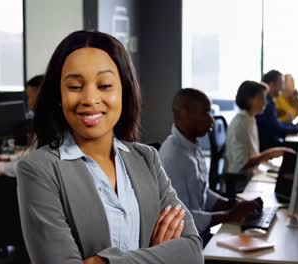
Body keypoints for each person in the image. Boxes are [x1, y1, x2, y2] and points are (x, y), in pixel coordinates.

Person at [17, 31, 203, 264]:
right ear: (59, 95)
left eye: (104, 85)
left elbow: (193, 253)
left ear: (124, 90)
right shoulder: (38, 169)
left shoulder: (147, 158)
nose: (90, 98)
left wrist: (103, 262)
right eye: (75, 86)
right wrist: (157, 256)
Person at [159, 88, 263, 244]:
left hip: (199, 235)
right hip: (184, 245)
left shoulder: (192, 145)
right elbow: (181, 218)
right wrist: (229, 215)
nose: (212, 120)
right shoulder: (174, 156)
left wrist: (233, 205)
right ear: (184, 114)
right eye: (206, 112)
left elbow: (201, 191)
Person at [0, 75, 44, 177]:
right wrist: (10, 159)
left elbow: (32, 166)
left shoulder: (50, 125)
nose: (29, 103)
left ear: (40, 95)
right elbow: (34, 153)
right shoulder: (47, 120)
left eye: (29, 97)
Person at [225, 81, 294, 174]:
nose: (265, 102)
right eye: (261, 98)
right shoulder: (240, 123)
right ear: (249, 99)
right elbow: (240, 165)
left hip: (251, 172)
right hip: (239, 180)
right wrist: (268, 154)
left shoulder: (250, 118)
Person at [256, 70, 298, 151]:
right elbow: (278, 129)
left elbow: (278, 124)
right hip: (267, 148)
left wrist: (297, 127)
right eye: (281, 83)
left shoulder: (270, 101)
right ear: (271, 84)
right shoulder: (265, 103)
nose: (283, 87)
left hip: (270, 144)